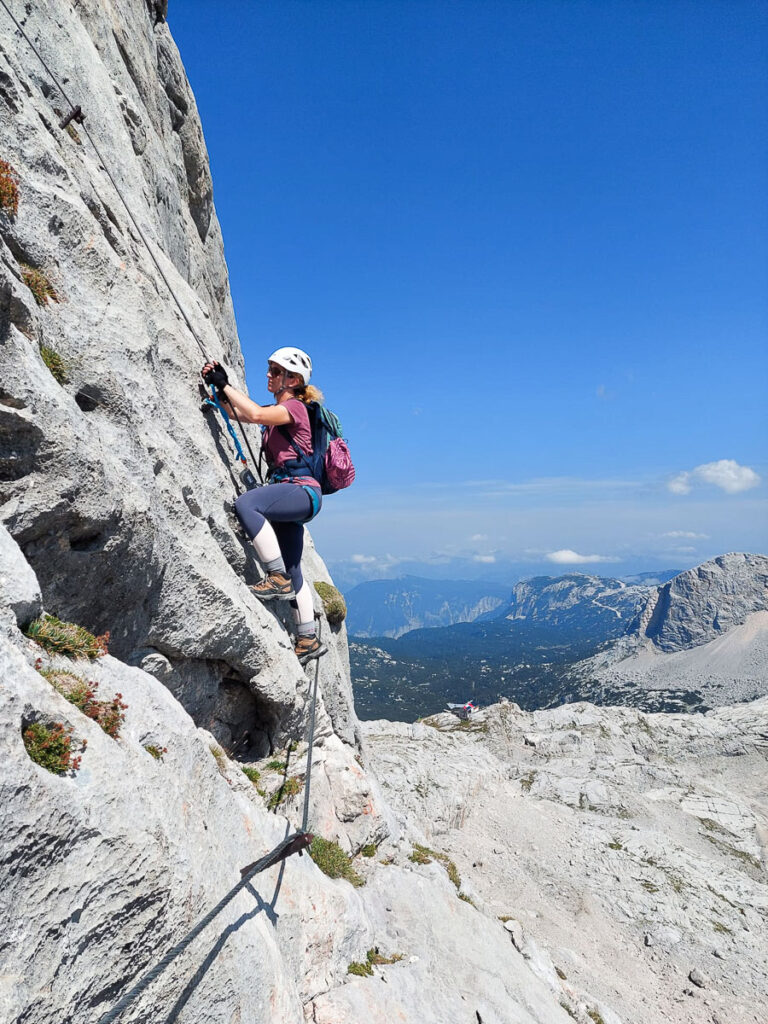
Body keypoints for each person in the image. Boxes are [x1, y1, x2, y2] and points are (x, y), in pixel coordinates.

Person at [201, 347, 327, 665]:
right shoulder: (279, 411)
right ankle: (308, 638)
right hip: (296, 495)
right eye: (269, 370)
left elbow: (254, 414)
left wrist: (226, 383)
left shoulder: (296, 408)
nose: (268, 376)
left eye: (274, 371)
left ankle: (276, 576)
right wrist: (218, 389)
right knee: (295, 565)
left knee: (247, 505)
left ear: (292, 379)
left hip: (299, 490)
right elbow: (240, 414)